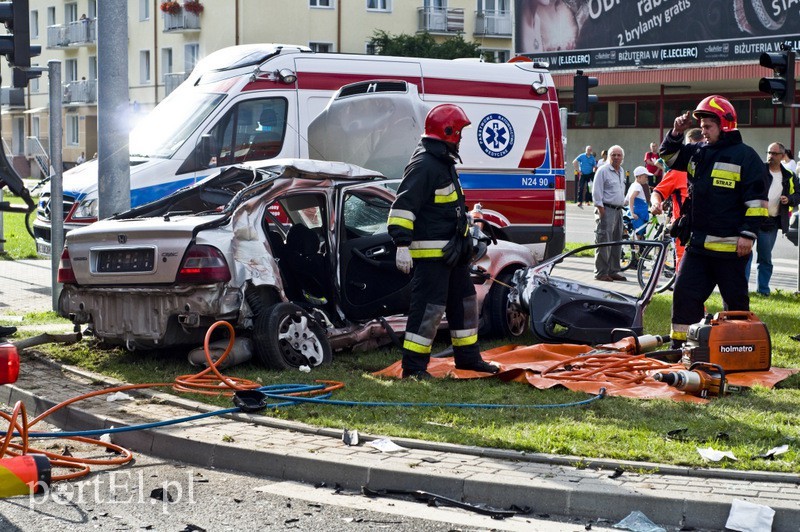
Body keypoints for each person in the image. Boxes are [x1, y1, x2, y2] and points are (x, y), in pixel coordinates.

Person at [387, 104, 499, 380]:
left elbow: (447, 208)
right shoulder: (425, 164)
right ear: (447, 131)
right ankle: (413, 369)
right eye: (458, 132)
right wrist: (402, 244)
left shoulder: (443, 162)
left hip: (453, 254)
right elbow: (402, 208)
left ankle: (469, 359)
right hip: (432, 259)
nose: (461, 137)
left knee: (465, 305)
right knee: (428, 311)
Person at [659, 95, 768, 348]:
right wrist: (676, 132)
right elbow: (669, 156)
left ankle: (739, 348)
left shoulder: (745, 157)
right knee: (684, 294)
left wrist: (748, 235)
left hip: (731, 249)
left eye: (708, 127)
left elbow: (757, 202)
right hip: (698, 247)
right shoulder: (698, 152)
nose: (704, 132)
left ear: (725, 125)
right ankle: (684, 347)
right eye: (703, 127)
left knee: (736, 305)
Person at [745, 142, 800, 296]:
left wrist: (789, 199)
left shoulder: (789, 175)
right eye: (769, 152)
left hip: (770, 222)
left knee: (765, 258)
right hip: (751, 219)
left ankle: (763, 291)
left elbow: (798, 195)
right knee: (745, 255)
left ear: (783, 156)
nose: (770, 156)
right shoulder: (758, 170)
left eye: (775, 153)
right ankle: (741, 289)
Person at [651, 128, 704, 266]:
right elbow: (658, 192)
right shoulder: (677, 171)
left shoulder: (712, 168)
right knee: (684, 274)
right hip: (684, 231)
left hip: (708, 231)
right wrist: (656, 203)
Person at [591, 145, 627, 282]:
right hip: (606, 209)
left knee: (617, 241)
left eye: (619, 155)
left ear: (622, 158)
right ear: (608, 156)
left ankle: (613, 270)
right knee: (604, 241)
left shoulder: (621, 171)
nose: (616, 157)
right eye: (613, 155)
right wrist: (600, 209)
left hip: (618, 210)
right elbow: (596, 192)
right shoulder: (603, 170)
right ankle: (601, 272)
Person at [625, 166, 651, 238]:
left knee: (635, 234)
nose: (647, 178)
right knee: (639, 234)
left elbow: (626, 201)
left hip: (634, 214)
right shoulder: (638, 186)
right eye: (645, 177)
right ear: (639, 177)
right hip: (639, 215)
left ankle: (635, 247)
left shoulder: (632, 185)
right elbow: (631, 198)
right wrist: (632, 212)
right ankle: (638, 248)